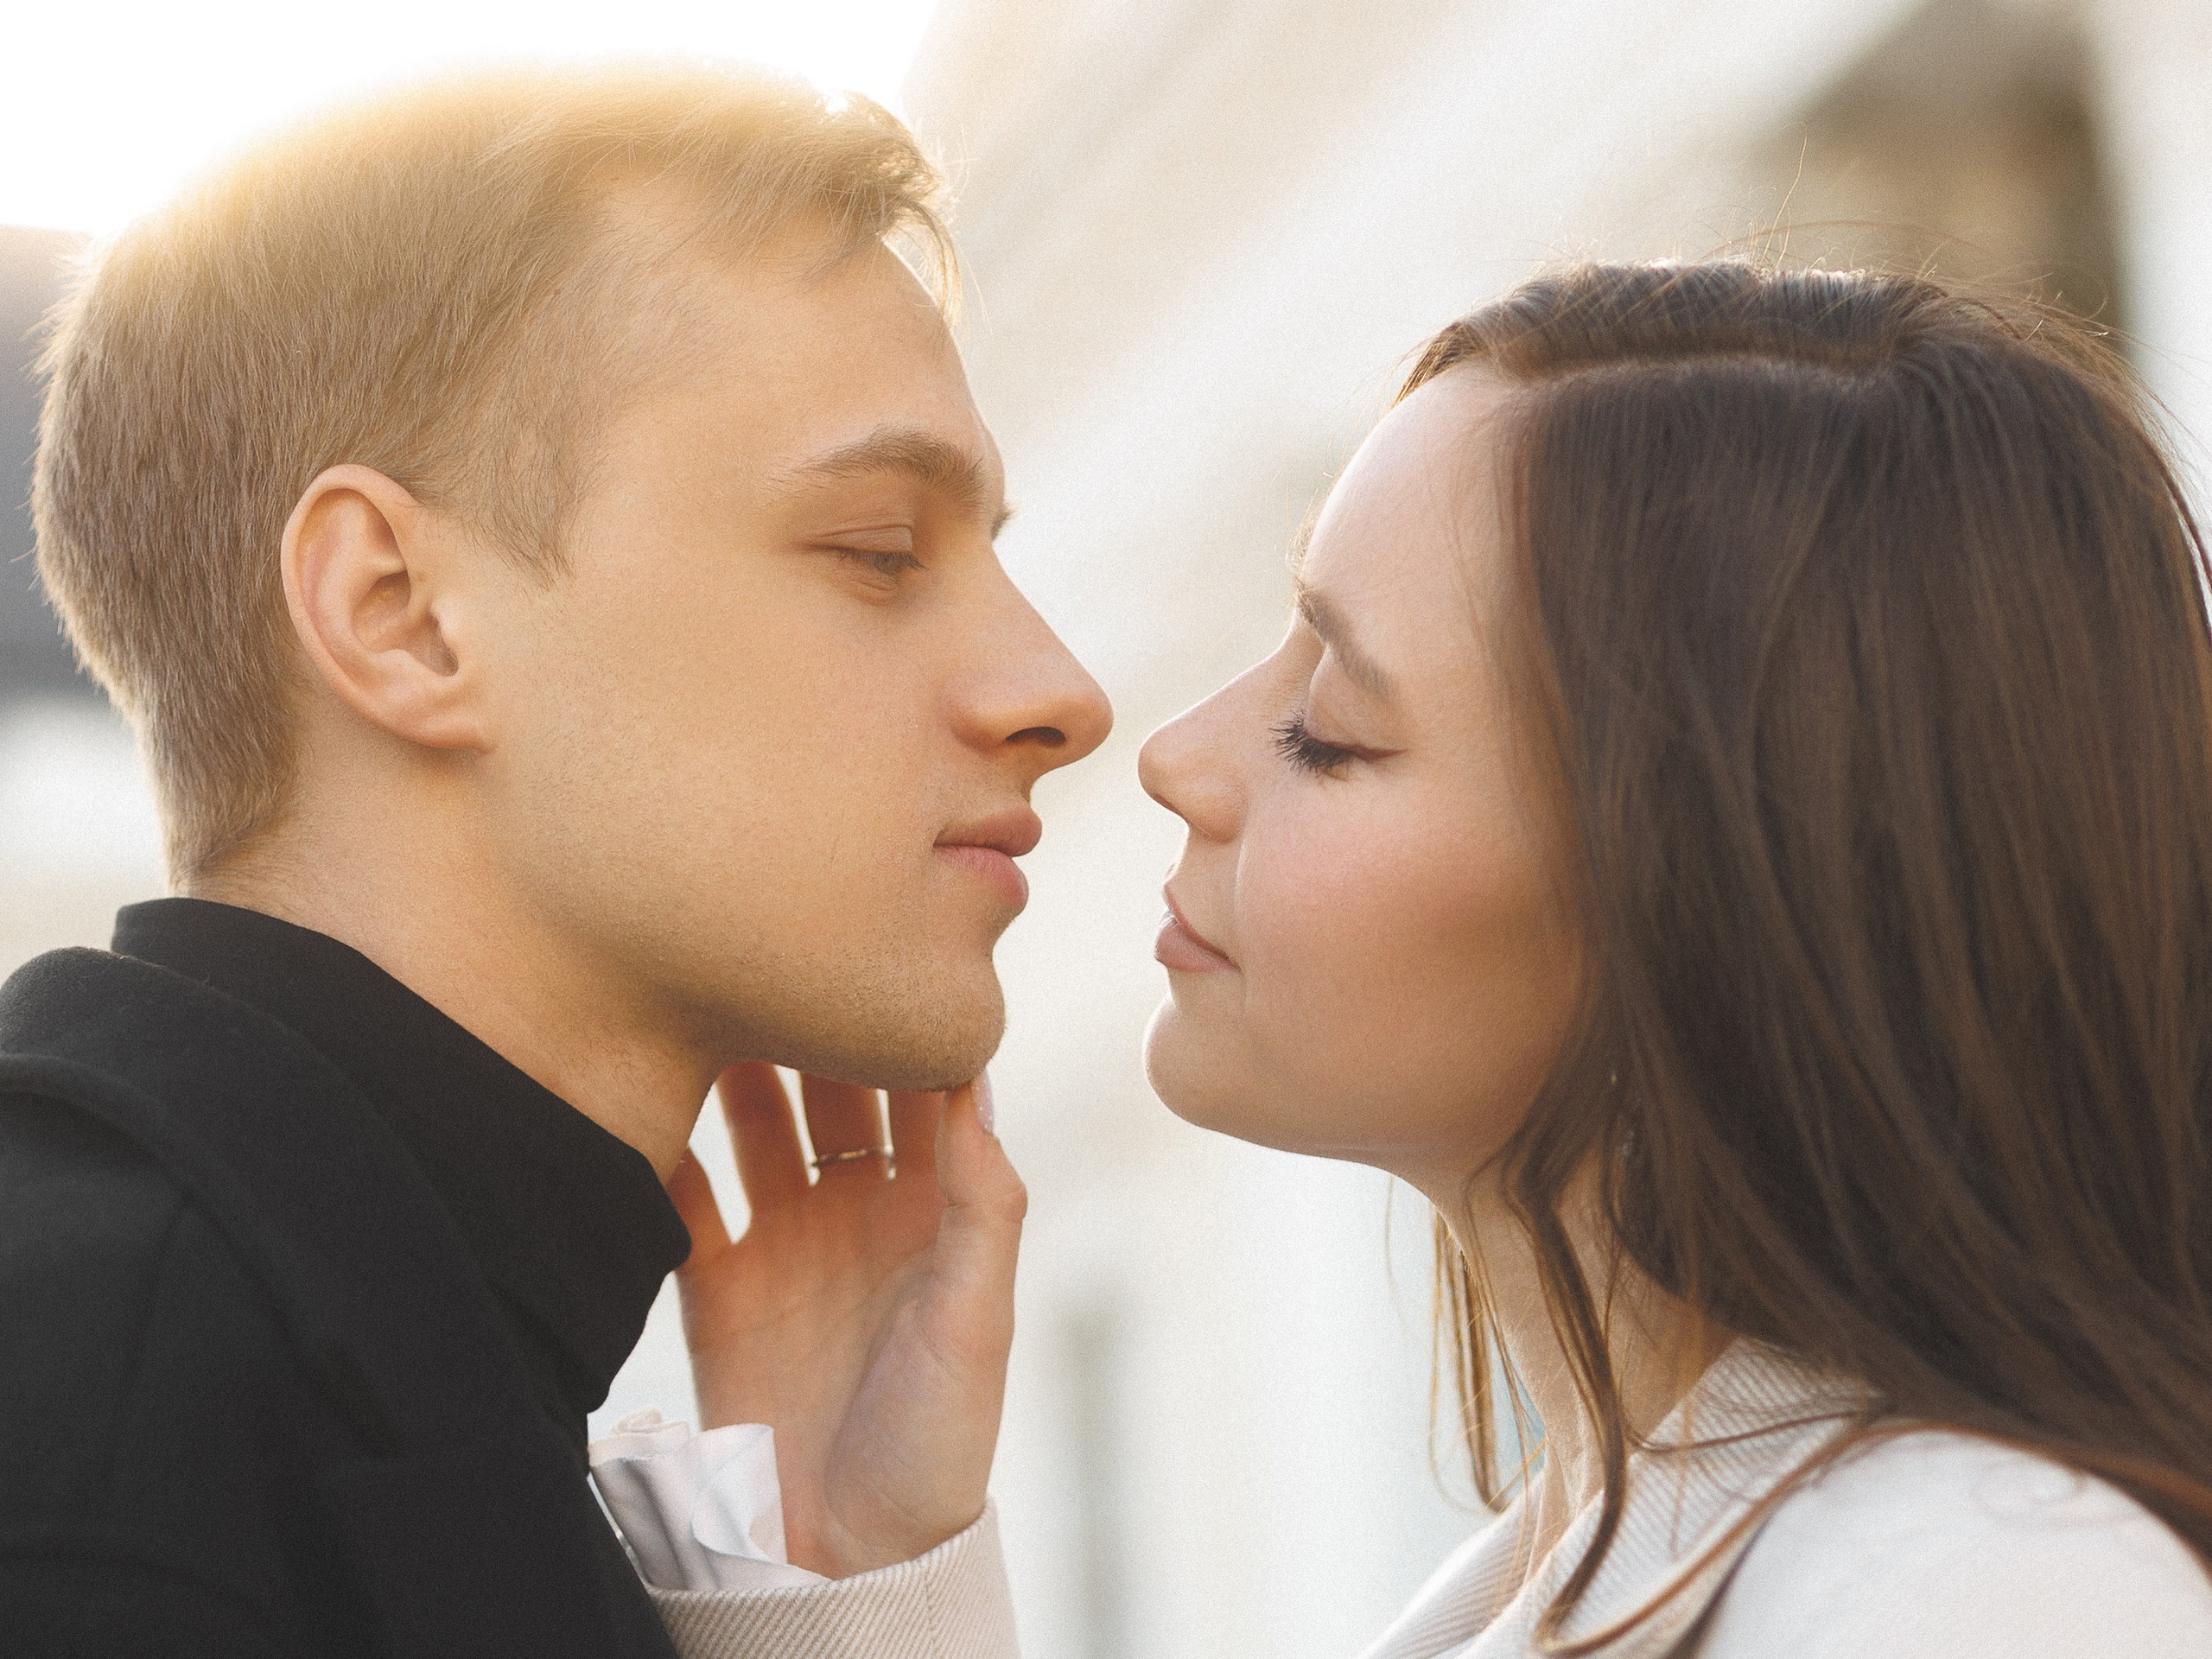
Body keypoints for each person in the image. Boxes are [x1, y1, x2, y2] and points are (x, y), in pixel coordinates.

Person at [2, 65, 1106, 1656]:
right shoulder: (102, 1435)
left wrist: (833, 1595)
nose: (1058, 689)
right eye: (877, 552)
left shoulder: (320, 1365)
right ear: (400, 615)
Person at [1138, 262, 2212, 1655]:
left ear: (1705, 901)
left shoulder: (1987, 1586)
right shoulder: (1564, 1581)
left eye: (1329, 731)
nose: (1175, 756)